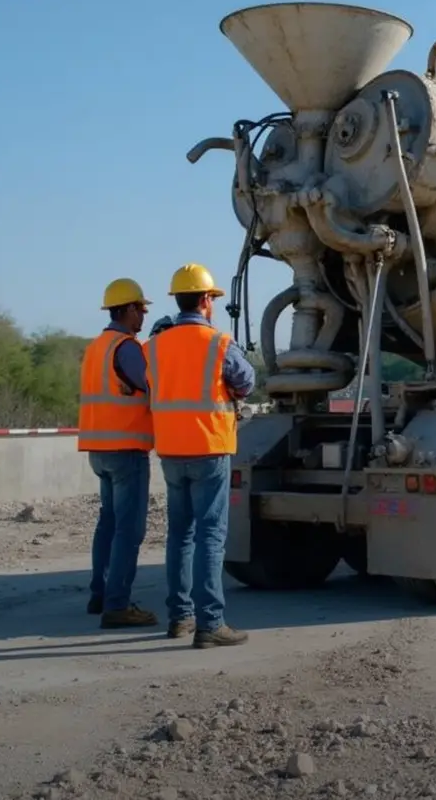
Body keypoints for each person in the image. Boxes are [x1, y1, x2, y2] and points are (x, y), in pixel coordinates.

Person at [146, 263, 256, 648]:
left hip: (171, 449)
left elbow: (149, 383)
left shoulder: (155, 345)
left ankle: (180, 618)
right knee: (211, 535)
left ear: (177, 300)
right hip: (209, 447)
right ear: (207, 300)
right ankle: (211, 623)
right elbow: (246, 382)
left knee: (180, 536)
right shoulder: (219, 343)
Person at [78, 278, 159, 628]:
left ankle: (100, 593)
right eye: (140, 308)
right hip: (126, 448)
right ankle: (117, 605)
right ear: (126, 309)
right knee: (129, 530)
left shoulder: (97, 346)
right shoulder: (126, 347)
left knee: (108, 524)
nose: (142, 315)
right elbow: (152, 384)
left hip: (99, 448)